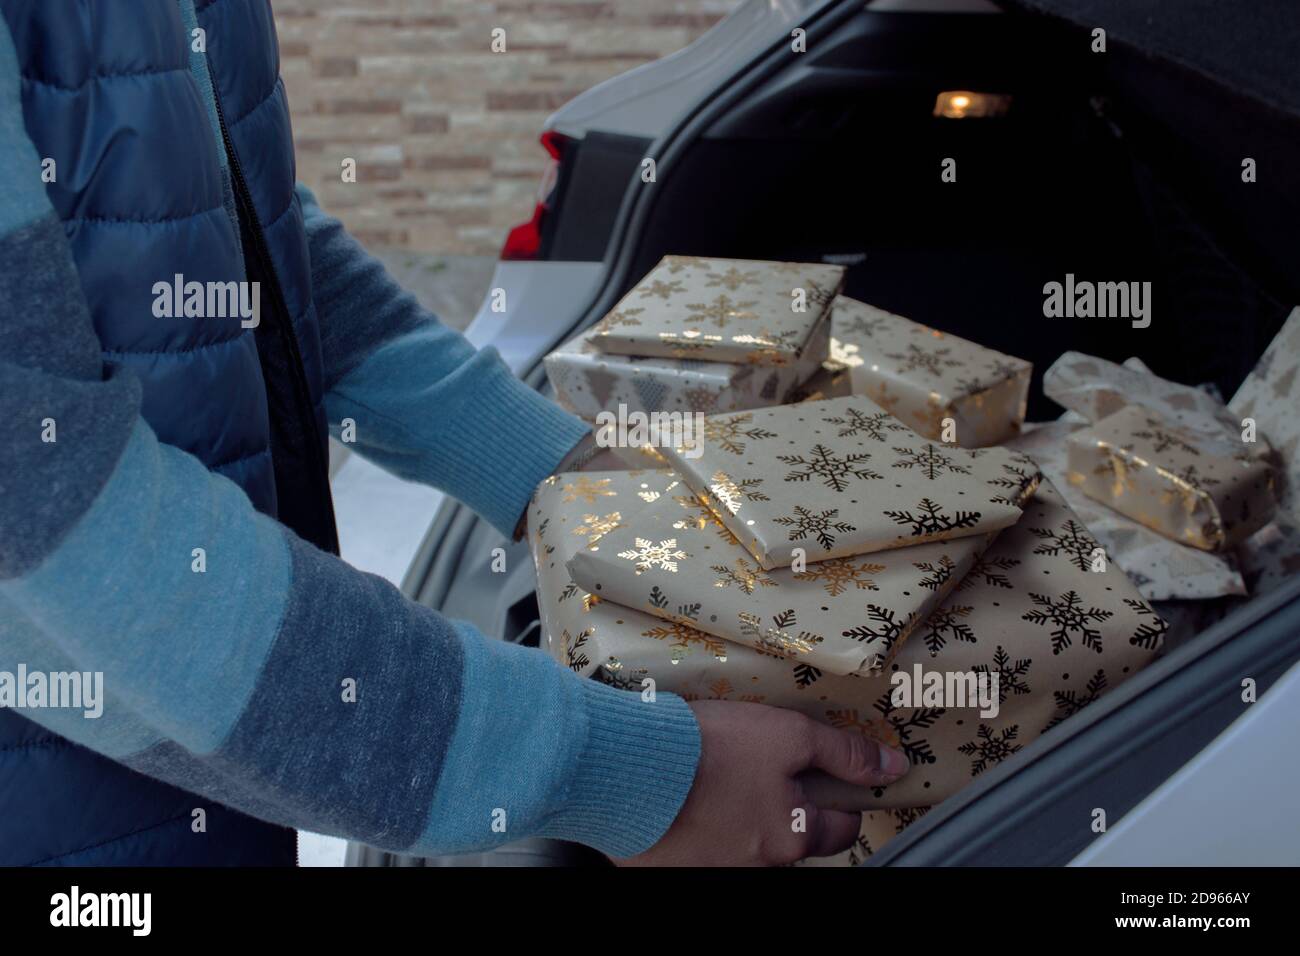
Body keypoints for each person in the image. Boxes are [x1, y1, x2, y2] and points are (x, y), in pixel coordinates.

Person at [0, 0, 909, 867]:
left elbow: (250, 237)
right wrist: (627, 774)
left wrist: (562, 469)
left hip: (226, 770)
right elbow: (64, 536)